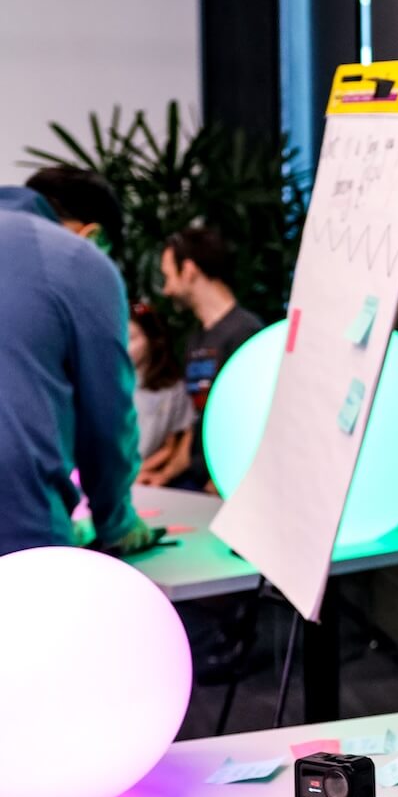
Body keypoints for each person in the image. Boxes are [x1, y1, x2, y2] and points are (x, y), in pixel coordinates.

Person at [0, 166, 153, 557]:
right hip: (18, 525)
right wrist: (116, 521)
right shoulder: (76, 258)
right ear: (94, 236)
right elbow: (107, 415)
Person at [159, 226, 263, 492]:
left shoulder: (245, 332)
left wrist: (220, 482)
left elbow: (253, 421)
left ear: (189, 270)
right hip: (195, 479)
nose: (167, 290)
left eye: (168, 277)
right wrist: (163, 476)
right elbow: (198, 419)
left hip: (225, 485)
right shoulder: (195, 339)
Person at [128, 301, 197, 487]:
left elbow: (170, 446)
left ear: (153, 340)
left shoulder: (173, 389)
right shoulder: (102, 383)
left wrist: (137, 472)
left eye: (131, 338)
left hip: (144, 480)